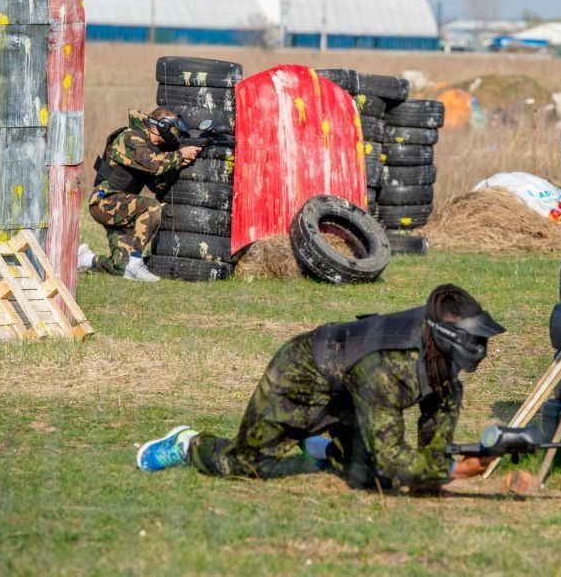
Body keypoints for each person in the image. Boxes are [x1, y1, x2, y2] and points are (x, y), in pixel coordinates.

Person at [136, 284, 506, 491]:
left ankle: (317, 444)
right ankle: (186, 444)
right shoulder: (388, 368)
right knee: (246, 465)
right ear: (447, 341)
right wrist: (457, 471)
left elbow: (432, 444)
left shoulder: (441, 371)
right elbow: (394, 454)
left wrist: (440, 474)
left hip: (349, 391)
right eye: (475, 345)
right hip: (304, 375)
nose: (481, 353)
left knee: (371, 480)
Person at [77, 108, 201, 282]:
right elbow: (151, 163)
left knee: (122, 267)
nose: (175, 135)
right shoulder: (130, 138)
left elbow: (158, 185)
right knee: (151, 207)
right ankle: (136, 262)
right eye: (173, 130)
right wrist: (179, 155)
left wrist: (177, 165)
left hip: (125, 207)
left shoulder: (155, 150)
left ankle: (86, 259)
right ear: (160, 127)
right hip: (105, 201)